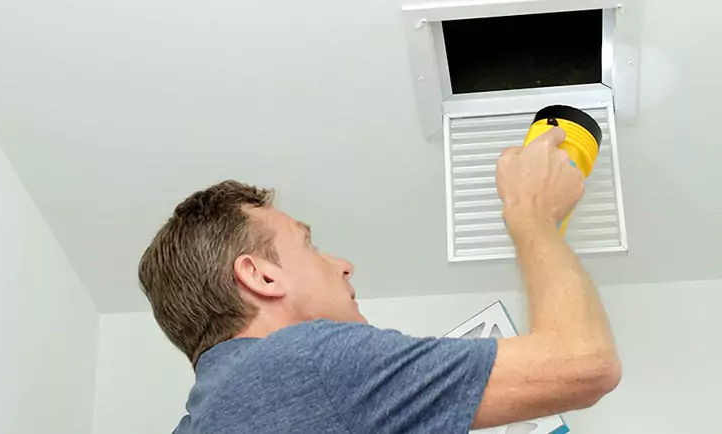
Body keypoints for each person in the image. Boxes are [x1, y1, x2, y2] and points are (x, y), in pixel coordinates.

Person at [138, 127, 621, 433]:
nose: (343, 264)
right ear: (260, 275)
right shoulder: (307, 362)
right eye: (308, 245)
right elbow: (583, 364)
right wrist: (532, 215)